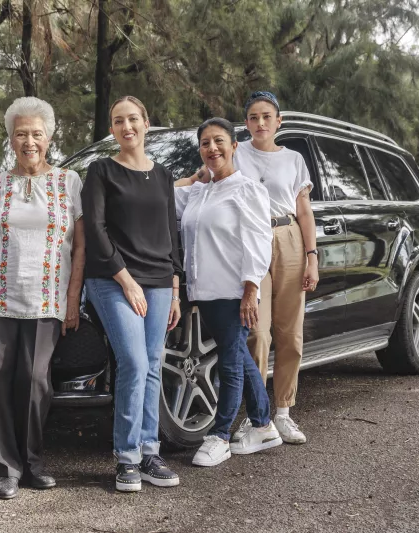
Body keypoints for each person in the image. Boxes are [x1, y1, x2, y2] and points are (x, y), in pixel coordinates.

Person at [178, 91, 319, 445]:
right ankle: (256, 416)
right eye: (253, 117)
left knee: (290, 331)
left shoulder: (293, 160)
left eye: (266, 117)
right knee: (255, 329)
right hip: (244, 241)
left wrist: (312, 256)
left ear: (278, 121)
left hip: (286, 237)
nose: (260, 123)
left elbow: (304, 210)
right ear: (245, 126)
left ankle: (283, 411)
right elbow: (197, 181)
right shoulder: (233, 154)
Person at [0, 96, 85, 500]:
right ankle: (6, 469)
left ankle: (33, 462)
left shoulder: (70, 183)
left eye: (37, 133)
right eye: (21, 134)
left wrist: (73, 297)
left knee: (36, 381)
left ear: (49, 137)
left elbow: (80, 247)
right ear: (11, 139)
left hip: (47, 296)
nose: (29, 141)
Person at [82, 96, 182, 492]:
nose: (127, 127)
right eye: (118, 121)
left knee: (154, 362)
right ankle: (126, 458)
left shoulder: (163, 176)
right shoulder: (101, 171)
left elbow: (172, 236)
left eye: (133, 119)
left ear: (146, 123)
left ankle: (149, 451)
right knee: (135, 362)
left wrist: (174, 290)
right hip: (112, 278)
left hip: (159, 280)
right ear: (112, 129)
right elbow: (96, 229)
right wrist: (126, 280)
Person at [175, 117, 281, 467]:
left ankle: (219, 435)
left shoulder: (247, 189)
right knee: (238, 356)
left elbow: (258, 242)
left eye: (219, 141)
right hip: (202, 293)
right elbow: (161, 196)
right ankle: (264, 424)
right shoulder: (198, 192)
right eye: (205, 143)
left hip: (234, 292)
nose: (212, 148)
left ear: (234, 146)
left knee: (232, 364)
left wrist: (251, 289)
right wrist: (192, 178)